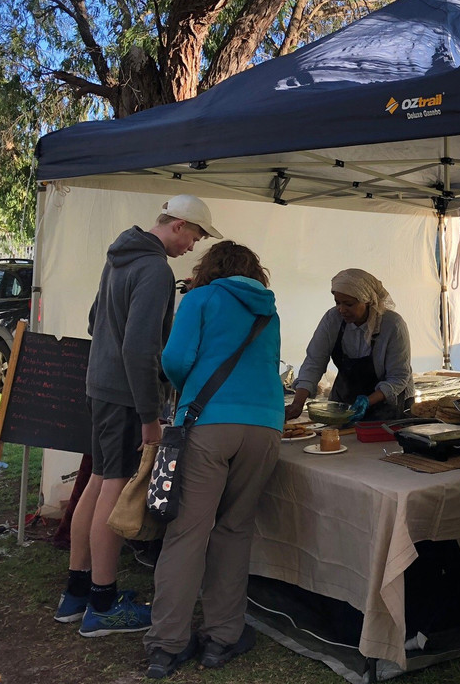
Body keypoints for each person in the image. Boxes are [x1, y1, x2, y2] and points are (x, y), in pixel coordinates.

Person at [54, 194, 221, 635]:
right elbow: (140, 348)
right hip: (126, 395)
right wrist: (151, 415)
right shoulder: (154, 269)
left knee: (98, 479)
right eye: (196, 235)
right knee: (115, 484)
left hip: (102, 386)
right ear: (179, 225)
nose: (194, 246)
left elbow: (95, 321)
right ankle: (104, 605)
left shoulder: (121, 255)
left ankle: (78, 591)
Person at [143, 241, 282, 678]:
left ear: (209, 268)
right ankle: (223, 636)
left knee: (187, 533)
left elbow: (174, 360)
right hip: (264, 427)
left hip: (208, 423)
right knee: (235, 530)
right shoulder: (268, 309)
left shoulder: (199, 298)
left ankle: (168, 644)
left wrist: (193, 386)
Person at [286, 268, 414, 423]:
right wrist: (298, 403)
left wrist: (367, 401)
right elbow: (314, 363)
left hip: (387, 404)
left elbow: (399, 377)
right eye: (337, 302)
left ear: (368, 301)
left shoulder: (393, 325)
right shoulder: (332, 320)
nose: (341, 309)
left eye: (349, 304)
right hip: (346, 402)